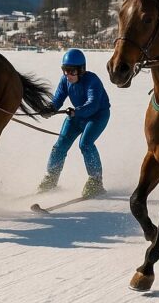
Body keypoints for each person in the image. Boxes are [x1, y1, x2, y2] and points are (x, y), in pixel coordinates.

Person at [38, 48, 112, 197]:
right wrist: (51, 108)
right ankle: (51, 178)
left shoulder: (93, 80)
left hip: (97, 116)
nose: (68, 74)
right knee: (60, 145)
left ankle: (95, 181)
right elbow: (58, 98)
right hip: (77, 116)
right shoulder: (65, 80)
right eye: (65, 70)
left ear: (81, 70)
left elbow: (93, 104)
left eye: (72, 71)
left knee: (85, 144)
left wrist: (76, 112)